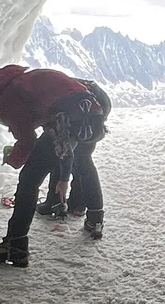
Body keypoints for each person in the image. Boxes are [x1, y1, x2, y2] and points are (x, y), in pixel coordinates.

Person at [0, 64, 108, 265]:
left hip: (70, 120)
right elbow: (61, 139)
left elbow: (30, 141)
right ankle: (95, 217)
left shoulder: (10, 94)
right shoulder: (24, 81)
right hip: (91, 117)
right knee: (82, 161)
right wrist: (62, 177)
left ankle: (15, 246)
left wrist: (14, 159)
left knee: (29, 180)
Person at [35, 78, 113, 217]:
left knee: (70, 154)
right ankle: (81, 207)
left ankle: (56, 203)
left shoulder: (51, 105)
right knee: (81, 159)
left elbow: (64, 150)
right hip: (98, 103)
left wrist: (63, 180)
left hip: (87, 109)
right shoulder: (48, 96)